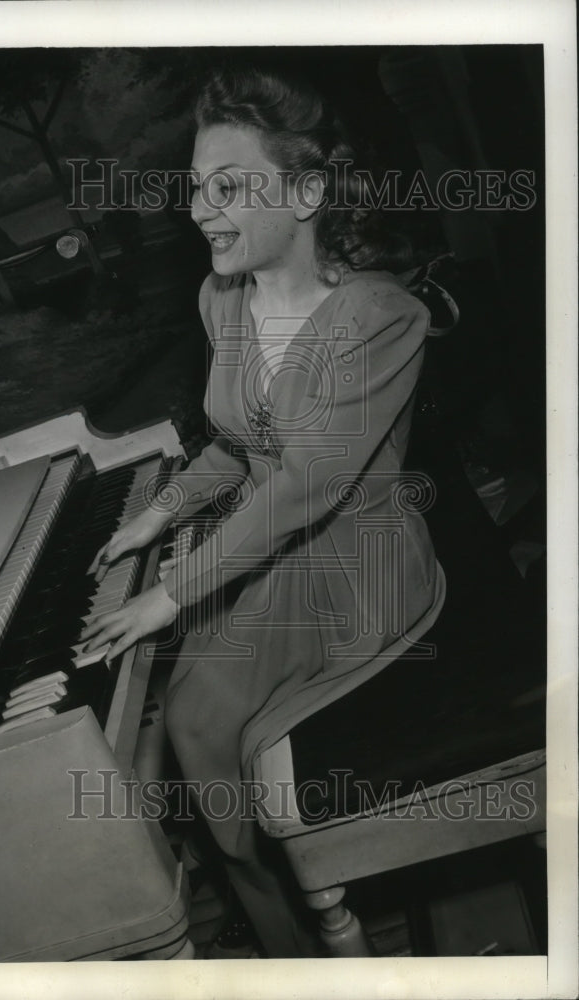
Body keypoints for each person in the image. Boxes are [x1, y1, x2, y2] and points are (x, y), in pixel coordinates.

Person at [81, 66, 446, 957]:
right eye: (198, 190)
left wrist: (170, 592)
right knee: (175, 710)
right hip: (273, 544)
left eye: (231, 188)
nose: (203, 211)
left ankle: (291, 935)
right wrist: (159, 515)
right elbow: (238, 445)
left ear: (309, 191)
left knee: (199, 714)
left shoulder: (380, 317)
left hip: (356, 560)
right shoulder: (224, 299)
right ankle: (273, 919)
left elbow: (306, 482)